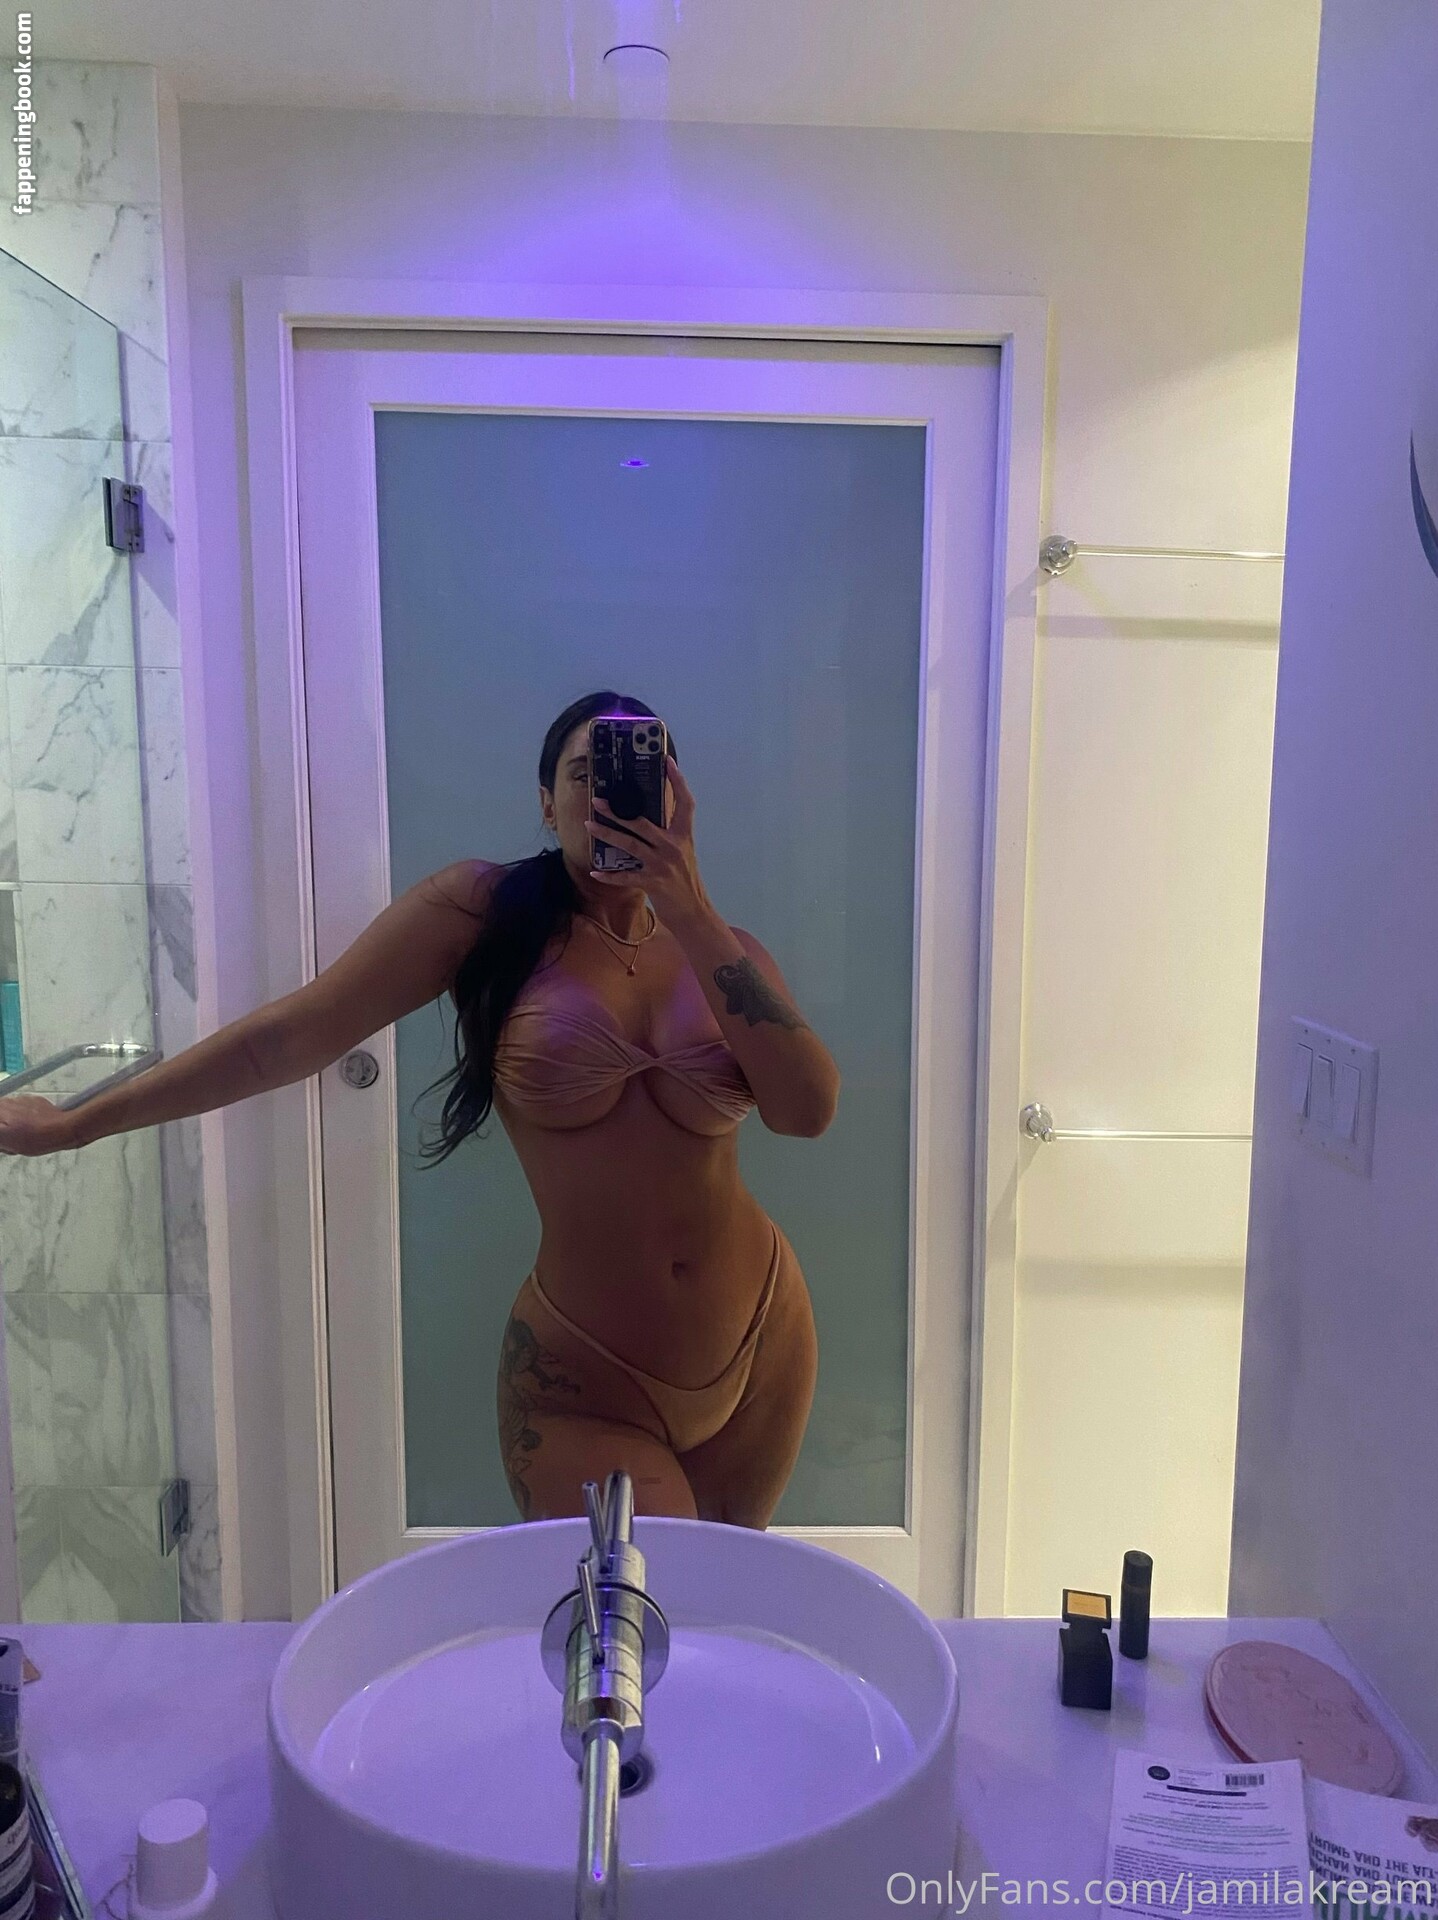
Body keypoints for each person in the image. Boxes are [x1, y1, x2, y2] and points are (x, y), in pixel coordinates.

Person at [0, 690, 840, 1528]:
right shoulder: (482, 913)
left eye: (632, 776)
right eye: (584, 774)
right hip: (589, 1376)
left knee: (729, 1599)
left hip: (763, 1334)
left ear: (673, 798)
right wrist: (74, 1125)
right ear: (547, 804)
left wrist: (689, 907)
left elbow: (807, 1110)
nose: (605, 796)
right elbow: (285, 1040)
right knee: (636, 1602)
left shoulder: (722, 953)